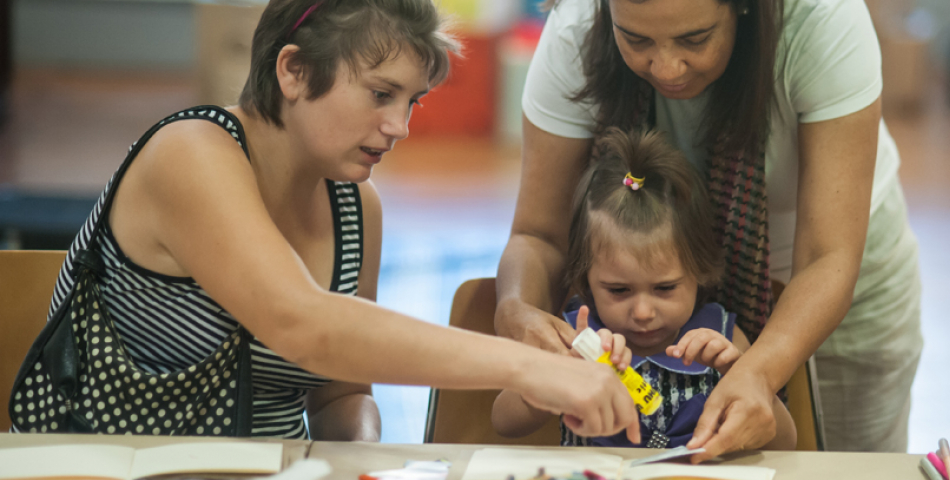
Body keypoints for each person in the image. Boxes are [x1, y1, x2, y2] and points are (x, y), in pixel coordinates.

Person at [17, 0, 641, 442]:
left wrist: (361, 455)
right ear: (293, 70)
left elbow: (341, 394)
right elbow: (303, 324)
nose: (400, 126)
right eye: (381, 94)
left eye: (412, 101)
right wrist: (530, 366)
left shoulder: (356, 208)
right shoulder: (190, 153)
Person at [494, 0, 923, 459]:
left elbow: (827, 256)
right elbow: (540, 235)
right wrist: (515, 311)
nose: (666, 68)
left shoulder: (821, 17)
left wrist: (756, 375)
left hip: (829, 285)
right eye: (635, 39)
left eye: (695, 39)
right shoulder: (576, 26)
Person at [490, 128, 797, 449]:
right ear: (585, 277)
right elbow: (504, 421)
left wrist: (739, 374)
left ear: (699, 271)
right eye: (619, 290)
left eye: (664, 288)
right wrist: (558, 375)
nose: (643, 312)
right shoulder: (572, 339)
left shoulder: (723, 339)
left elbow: (785, 442)